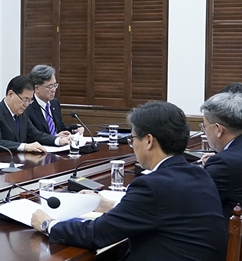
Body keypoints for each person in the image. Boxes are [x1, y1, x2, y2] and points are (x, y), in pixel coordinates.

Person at [31, 101, 227, 261]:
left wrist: (49, 224)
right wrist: (109, 204)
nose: (132, 144)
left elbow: (96, 234)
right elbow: (164, 209)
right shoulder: (198, 174)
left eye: (133, 138)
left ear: (149, 141)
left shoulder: (152, 186)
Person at [0, 75, 70, 156]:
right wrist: (25, 147)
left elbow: (35, 134)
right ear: (10, 94)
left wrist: (58, 140)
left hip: (17, 163)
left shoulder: (22, 114)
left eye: (30, 100)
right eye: (25, 99)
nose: (26, 104)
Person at [200, 92, 242, 224]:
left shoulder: (223, 164)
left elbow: (196, 199)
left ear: (219, 129)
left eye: (204, 127)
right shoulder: (227, 159)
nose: (204, 132)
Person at [27, 65, 83, 136]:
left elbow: (60, 128)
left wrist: (73, 130)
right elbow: (33, 136)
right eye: (50, 86)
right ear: (37, 88)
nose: (53, 90)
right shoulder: (28, 107)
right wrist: (55, 138)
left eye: (55, 85)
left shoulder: (54, 103)